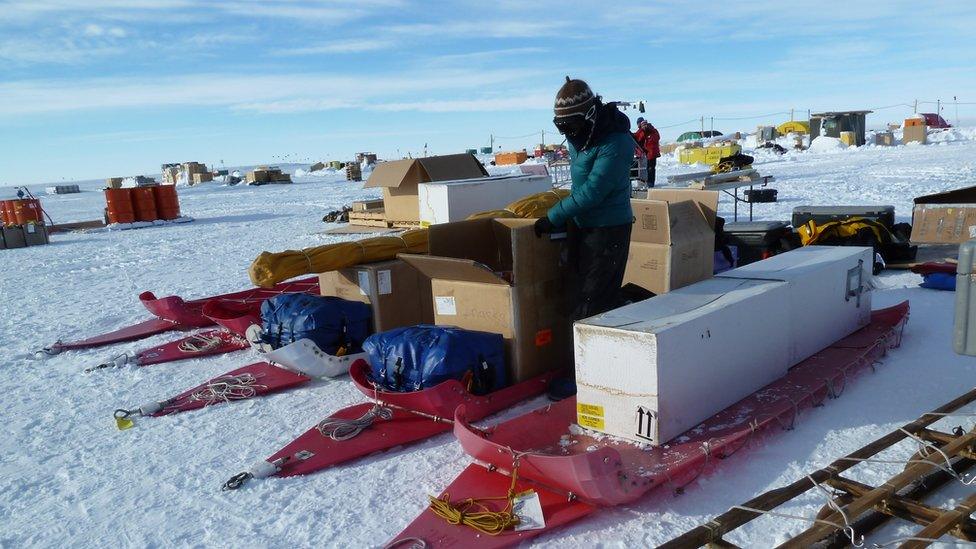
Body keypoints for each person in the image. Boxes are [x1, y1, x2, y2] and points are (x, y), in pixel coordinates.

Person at [534, 77, 634, 322]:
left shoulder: (616, 142)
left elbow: (592, 191)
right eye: (562, 127)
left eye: (571, 126)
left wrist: (553, 216)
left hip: (608, 229)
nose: (568, 133)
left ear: (590, 114)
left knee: (594, 303)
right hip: (582, 225)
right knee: (577, 295)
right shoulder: (579, 135)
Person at [633, 117, 661, 187]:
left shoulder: (648, 130)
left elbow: (638, 138)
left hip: (650, 153)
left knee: (649, 168)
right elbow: (637, 137)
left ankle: (649, 183)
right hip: (649, 153)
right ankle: (647, 182)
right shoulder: (650, 130)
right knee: (648, 168)